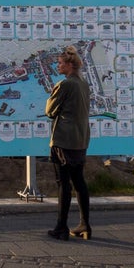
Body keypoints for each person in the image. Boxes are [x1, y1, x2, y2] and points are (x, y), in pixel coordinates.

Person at [45, 45, 92, 240]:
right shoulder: (83, 84)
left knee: (63, 184)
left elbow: (50, 111)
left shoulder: (64, 85)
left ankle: (61, 227)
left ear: (70, 65)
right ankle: (84, 224)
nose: (58, 66)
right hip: (81, 139)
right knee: (79, 182)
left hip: (63, 139)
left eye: (61, 63)